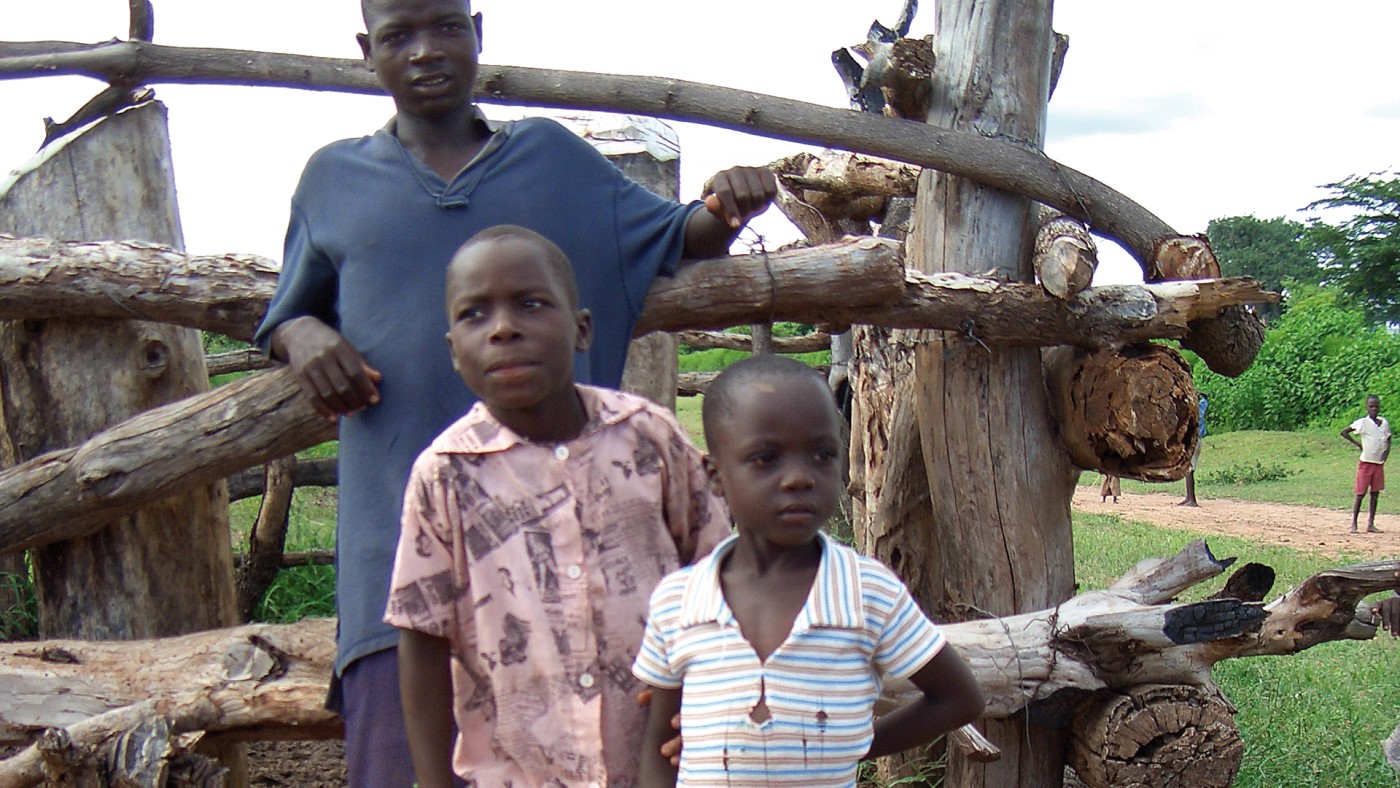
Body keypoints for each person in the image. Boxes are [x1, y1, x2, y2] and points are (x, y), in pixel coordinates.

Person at [251, 0, 775, 782]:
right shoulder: (334, 180)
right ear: (367, 51)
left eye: (447, 27)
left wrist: (726, 205)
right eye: (399, 35)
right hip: (400, 577)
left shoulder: (554, 161)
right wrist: (300, 335)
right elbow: (288, 310)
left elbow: (674, 235)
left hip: (579, 584)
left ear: (478, 32)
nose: (426, 51)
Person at [383, 227, 734, 787]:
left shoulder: (651, 440)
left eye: (530, 304)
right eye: (475, 315)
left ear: (582, 329)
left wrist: (714, 703)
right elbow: (422, 637)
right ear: (453, 352)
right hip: (518, 772)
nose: (503, 329)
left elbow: (720, 580)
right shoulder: (444, 474)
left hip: (664, 762)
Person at [632, 355, 986, 787]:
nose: (799, 478)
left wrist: (852, 744)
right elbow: (659, 746)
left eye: (822, 455)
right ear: (716, 476)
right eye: (766, 458)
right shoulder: (678, 600)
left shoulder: (867, 593)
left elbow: (959, 698)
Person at [1342, 394, 1391, 534]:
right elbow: (1344, 432)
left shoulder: (1384, 423)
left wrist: (1386, 452)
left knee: (1375, 493)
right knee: (1360, 493)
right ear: (1367, 408)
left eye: (1376, 406)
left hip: (1378, 464)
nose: (1374, 409)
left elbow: (1388, 437)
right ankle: (1354, 523)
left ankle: (1371, 523)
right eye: (1371, 406)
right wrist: (1358, 444)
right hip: (1366, 463)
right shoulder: (1363, 423)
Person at [1180, 393, 1208, 507]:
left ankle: (1192, 499)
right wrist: (1202, 396)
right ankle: (1189, 497)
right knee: (1189, 469)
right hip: (1197, 441)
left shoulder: (1191, 414)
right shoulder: (1200, 408)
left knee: (1189, 469)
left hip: (1193, 442)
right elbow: (1205, 400)